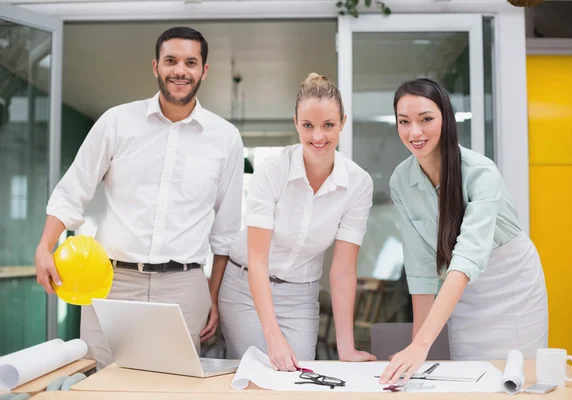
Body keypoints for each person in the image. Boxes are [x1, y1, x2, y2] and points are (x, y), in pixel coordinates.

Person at [34, 26, 244, 370]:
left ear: (204, 70)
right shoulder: (116, 122)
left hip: (184, 286)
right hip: (112, 282)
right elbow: (73, 190)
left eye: (191, 62)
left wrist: (214, 295)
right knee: (102, 382)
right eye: (171, 60)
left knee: (174, 385)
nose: (180, 70)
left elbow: (226, 232)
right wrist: (45, 246)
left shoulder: (226, 139)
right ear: (155, 66)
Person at [379, 78, 548, 384]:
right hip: (459, 289)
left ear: (446, 118)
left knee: (518, 379)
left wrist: (420, 345)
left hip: (510, 284)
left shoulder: (481, 173)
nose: (414, 132)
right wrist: (418, 351)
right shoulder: (401, 180)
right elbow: (420, 269)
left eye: (426, 119)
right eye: (404, 122)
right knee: (473, 379)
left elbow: (467, 256)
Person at [217, 73, 376, 370]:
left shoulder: (358, 184)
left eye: (328, 125)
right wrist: (273, 336)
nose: (318, 137)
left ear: (343, 121)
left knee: (299, 375)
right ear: (296, 123)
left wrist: (347, 348)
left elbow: (342, 271)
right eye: (308, 126)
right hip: (246, 286)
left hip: (300, 294)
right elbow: (258, 260)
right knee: (256, 373)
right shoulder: (272, 171)